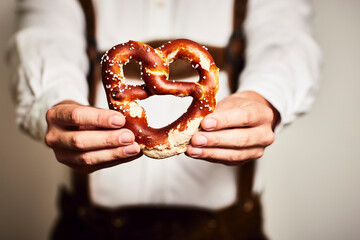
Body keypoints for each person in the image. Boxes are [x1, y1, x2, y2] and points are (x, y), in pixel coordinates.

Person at [7, 0, 321, 239]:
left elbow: (286, 38)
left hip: (232, 229)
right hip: (89, 227)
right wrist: (57, 101)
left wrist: (266, 97)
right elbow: (45, 35)